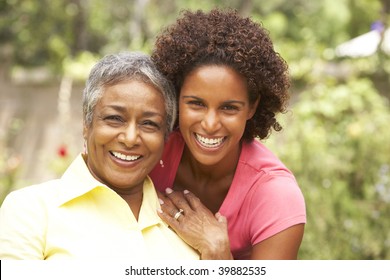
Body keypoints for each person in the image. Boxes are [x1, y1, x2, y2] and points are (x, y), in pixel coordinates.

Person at [0, 52, 203, 259]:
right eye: (115, 118)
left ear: (165, 137)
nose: (131, 138)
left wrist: (217, 254)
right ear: (87, 125)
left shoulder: (188, 224)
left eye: (149, 123)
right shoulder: (30, 212)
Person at [150, 9, 306, 260]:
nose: (210, 124)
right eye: (196, 104)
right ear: (176, 97)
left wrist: (218, 251)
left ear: (252, 107)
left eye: (229, 108)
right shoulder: (153, 151)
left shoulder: (276, 196)